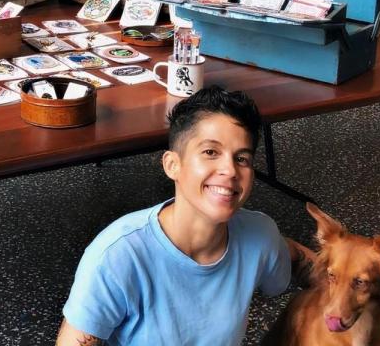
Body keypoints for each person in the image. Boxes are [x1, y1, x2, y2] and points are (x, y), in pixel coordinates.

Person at [57, 86, 288, 345]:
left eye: (242, 158)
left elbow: (304, 264)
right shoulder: (117, 256)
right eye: (210, 152)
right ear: (172, 165)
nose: (230, 170)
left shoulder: (262, 234)